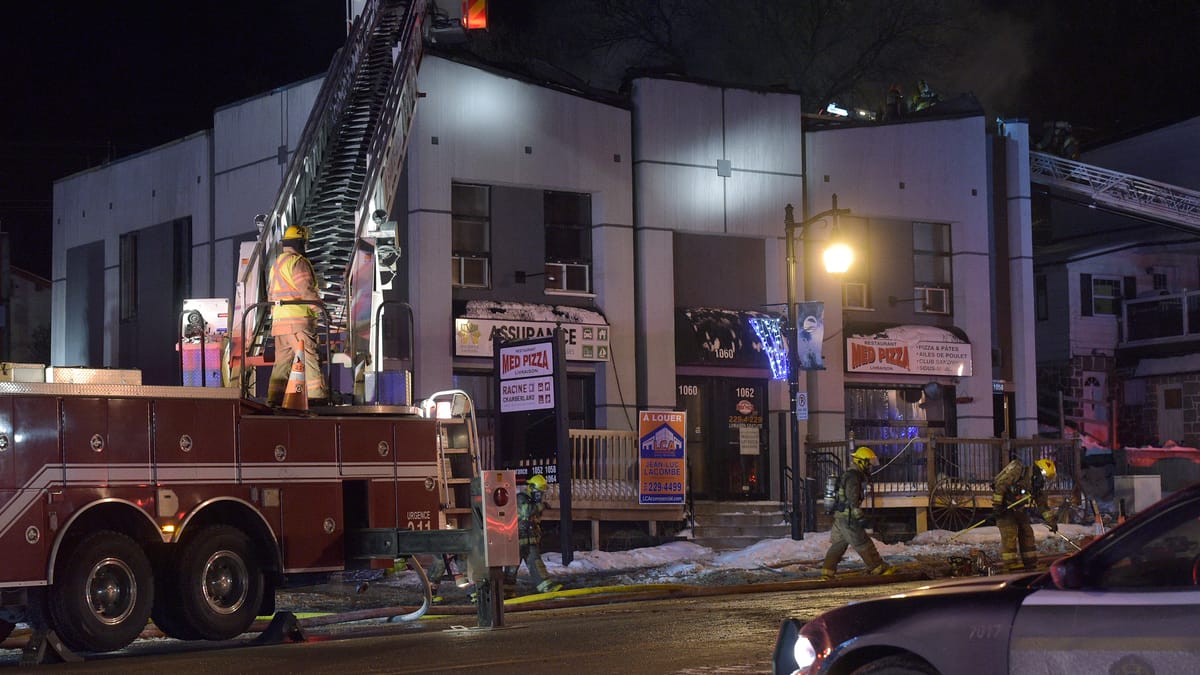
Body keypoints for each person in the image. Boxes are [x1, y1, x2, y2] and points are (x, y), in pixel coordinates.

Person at [266, 225, 328, 407]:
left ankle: (274, 399)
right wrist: (321, 310)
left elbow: (271, 294)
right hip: (298, 323)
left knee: (282, 365)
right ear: (301, 242)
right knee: (310, 359)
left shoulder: (276, 264)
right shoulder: (298, 262)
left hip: (279, 323)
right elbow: (306, 290)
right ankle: (317, 398)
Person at [820, 447, 894, 580]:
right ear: (862, 462)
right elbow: (852, 499)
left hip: (840, 516)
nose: (871, 467)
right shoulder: (854, 477)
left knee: (839, 545)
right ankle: (878, 568)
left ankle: (827, 572)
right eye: (869, 463)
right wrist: (860, 518)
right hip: (848, 518)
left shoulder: (851, 474)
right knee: (863, 543)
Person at [992, 457, 1058, 572]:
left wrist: (1051, 521)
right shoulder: (1018, 472)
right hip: (1004, 507)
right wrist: (997, 506)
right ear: (1039, 472)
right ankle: (1010, 564)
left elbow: (1042, 506)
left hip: (1018, 508)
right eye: (1045, 478)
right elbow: (1000, 486)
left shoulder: (1035, 486)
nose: (1045, 482)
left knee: (1027, 532)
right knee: (1010, 532)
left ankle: (1030, 562)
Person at [505, 474, 562, 594]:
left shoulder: (532, 501)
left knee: (537, 564)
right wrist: (541, 506)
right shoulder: (521, 498)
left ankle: (546, 587)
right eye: (539, 493)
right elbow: (526, 512)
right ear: (531, 488)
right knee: (512, 568)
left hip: (530, 540)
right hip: (517, 540)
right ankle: (506, 592)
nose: (540, 495)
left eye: (542, 493)